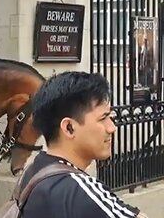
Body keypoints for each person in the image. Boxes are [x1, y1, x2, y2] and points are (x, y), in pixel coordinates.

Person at [17, 71, 148, 218]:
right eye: (103, 118)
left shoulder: (32, 174)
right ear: (69, 128)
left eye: (111, 117)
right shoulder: (80, 192)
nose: (112, 128)